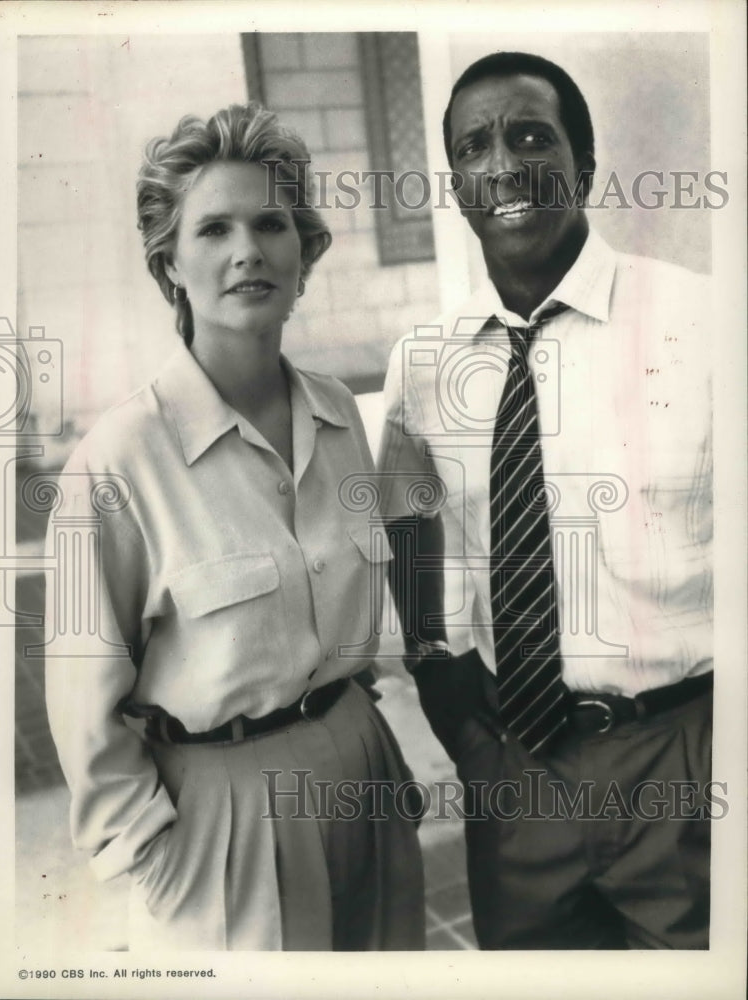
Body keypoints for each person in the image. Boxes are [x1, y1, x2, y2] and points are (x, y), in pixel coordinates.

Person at [45, 103, 424, 951]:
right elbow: (83, 712)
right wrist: (154, 857)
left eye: (270, 223)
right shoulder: (117, 461)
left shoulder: (337, 415)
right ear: (169, 265)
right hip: (225, 813)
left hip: (363, 770)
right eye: (212, 229)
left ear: (304, 255)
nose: (247, 248)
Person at [378, 52, 712, 949]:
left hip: (685, 760)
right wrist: (445, 692)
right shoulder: (425, 361)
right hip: (515, 771)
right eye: (473, 147)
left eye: (531, 135)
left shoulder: (706, 327)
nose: (502, 165)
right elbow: (406, 519)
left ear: (584, 165)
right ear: (454, 185)